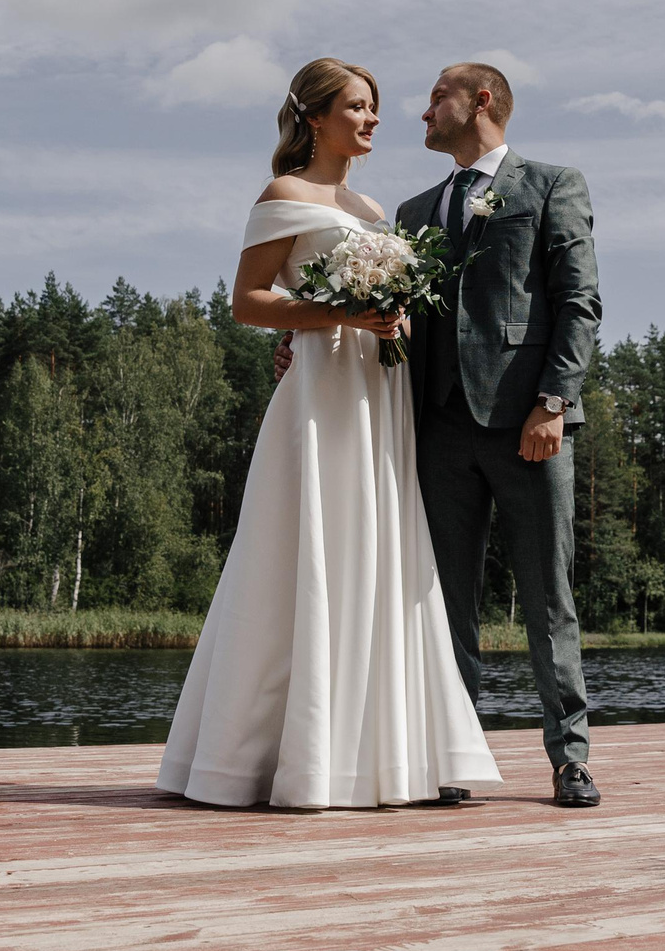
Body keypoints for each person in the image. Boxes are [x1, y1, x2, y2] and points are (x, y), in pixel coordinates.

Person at [156, 57, 502, 808]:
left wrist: (394, 315)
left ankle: (376, 758)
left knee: (376, 555)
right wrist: (337, 315)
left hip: (380, 395)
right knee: (301, 551)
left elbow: (390, 302)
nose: (373, 118)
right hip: (321, 395)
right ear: (315, 117)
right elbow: (248, 301)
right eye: (357, 106)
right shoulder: (284, 195)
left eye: (374, 106)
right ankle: (267, 757)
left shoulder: (375, 209)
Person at [399, 62, 602, 808]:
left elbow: (579, 301)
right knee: (444, 599)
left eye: (435, 98)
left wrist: (553, 401)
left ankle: (570, 758)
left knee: (548, 597)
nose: (423, 114)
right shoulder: (413, 209)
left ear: (480, 101)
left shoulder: (551, 184)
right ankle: (455, 755)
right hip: (438, 427)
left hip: (529, 424)